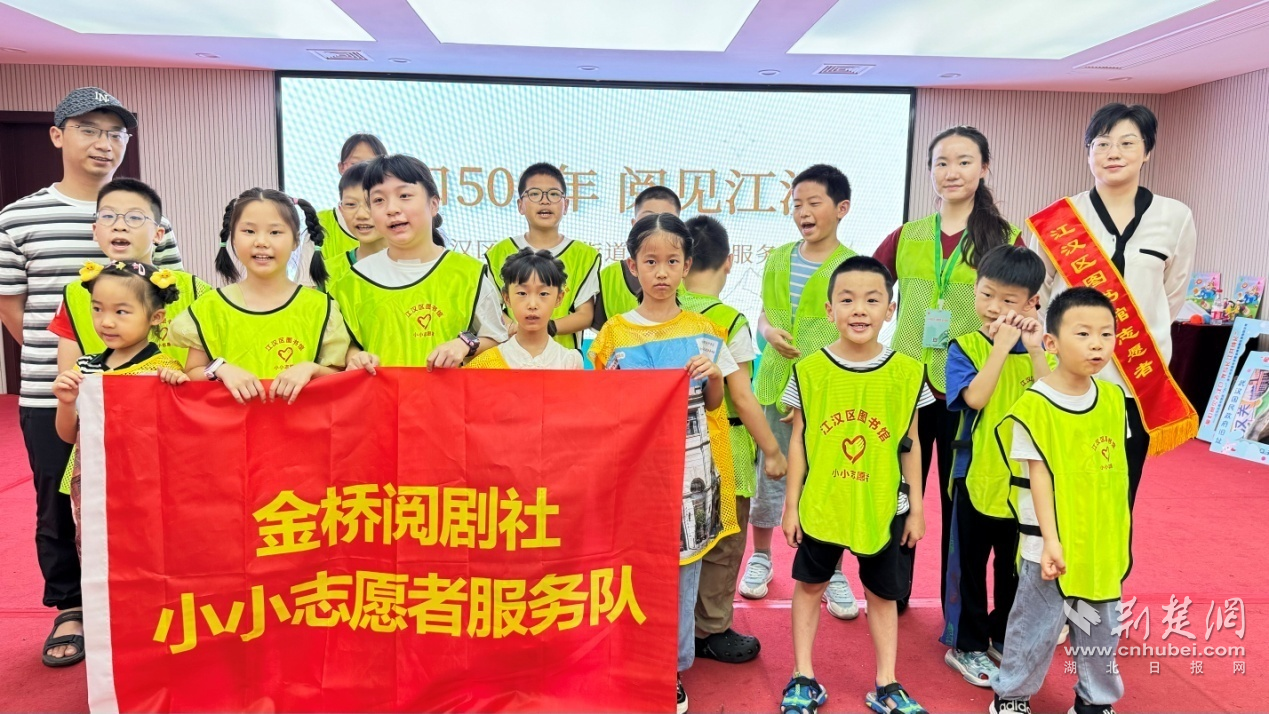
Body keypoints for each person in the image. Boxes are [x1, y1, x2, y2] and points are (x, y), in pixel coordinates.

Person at [0, 86, 182, 666]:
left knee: (147, 504)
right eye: (89, 130)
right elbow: (13, 307)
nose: (104, 143)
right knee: (58, 502)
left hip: (144, 395)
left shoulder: (153, 219)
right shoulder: (17, 218)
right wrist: (80, 367)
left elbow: (172, 307)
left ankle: (143, 602)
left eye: (115, 133)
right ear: (58, 135)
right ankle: (71, 608)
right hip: (54, 388)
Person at [590, 213, 741, 714]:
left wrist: (713, 375)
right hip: (634, 475)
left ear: (687, 265)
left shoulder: (705, 331)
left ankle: (670, 669)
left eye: (671, 261)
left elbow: (716, 404)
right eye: (650, 261)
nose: (661, 272)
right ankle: (627, 659)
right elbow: (599, 409)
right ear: (632, 267)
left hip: (690, 474)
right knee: (628, 568)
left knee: (682, 574)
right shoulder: (613, 334)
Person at [873, 126, 1021, 613]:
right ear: (930, 171)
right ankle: (891, 592)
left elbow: (1022, 305)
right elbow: (865, 286)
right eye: (941, 162)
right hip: (906, 383)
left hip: (967, 388)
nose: (951, 171)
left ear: (984, 168)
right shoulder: (908, 235)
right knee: (898, 493)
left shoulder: (1005, 239)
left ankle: (956, 611)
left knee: (961, 506)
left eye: (963, 161)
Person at [779, 256, 931, 714]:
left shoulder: (908, 371)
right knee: (810, 586)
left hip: (883, 505)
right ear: (830, 310)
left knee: (883, 595)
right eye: (847, 300)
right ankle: (802, 676)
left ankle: (887, 683)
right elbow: (799, 440)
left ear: (890, 309)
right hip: (823, 503)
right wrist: (791, 505)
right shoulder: (810, 370)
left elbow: (910, 444)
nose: (859, 309)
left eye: (872, 300)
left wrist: (917, 507)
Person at [1030, 103, 1198, 509]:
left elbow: (1171, 295)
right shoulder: (1060, 218)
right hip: (1068, 378)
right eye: (1102, 144)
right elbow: (1039, 295)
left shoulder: (1175, 216)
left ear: (1147, 151)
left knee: (1120, 493)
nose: (1113, 153)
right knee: (1061, 489)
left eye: (1127, 143)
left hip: (1136, 379)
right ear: (1088, 152)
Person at [990, 287, 1131, 714]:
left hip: (1100, 538)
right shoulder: (1035, 406)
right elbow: (1039, 480)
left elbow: (1112, 475)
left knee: (1102, 624)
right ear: (1050, 343)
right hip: (1048, 541)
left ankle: (1095, 700)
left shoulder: (1113, 399)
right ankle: (1012, 695)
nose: (1097, 344)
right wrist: (1051, 541)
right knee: (1035, 623)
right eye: (1083, 334)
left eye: (1106, 334)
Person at [743, 165, 858, 620]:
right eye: (796, 205)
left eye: (814, 203)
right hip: (773, 384)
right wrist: (768, 332)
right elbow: (764, 315)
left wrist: (808, 394)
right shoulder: (777, 258)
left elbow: (855, 329)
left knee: (828, 478)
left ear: (841, 208)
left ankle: (833, 570)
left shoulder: (851, 267)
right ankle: (761, 555)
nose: (803, 212)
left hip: (824, 390)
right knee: (769, 473)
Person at [680, 215, 788, 664]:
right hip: (725, 449)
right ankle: (711, 628)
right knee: (723, 542)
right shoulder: (728, 320)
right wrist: (773, 451)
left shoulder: (662, 313)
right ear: (728, 261)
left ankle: (678, 628)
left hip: (675, 451)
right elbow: (742, 397)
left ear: (682, 263)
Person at [941, 245, 1050, 685]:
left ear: (1032, 303)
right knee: (969, 566)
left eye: (1009, 300)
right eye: (986, 294)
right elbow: (975, 398)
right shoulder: (965, 346)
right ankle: (966, 645)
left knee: (1016, 566)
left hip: (1027, 485)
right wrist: (1000, 349)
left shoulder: (1044, 349)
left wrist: (1035, 350)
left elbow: (1052, 403)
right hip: (976, 477)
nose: (994, 307)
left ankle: (1003, 634)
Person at [52, 261, 184, 561]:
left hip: (147, 485)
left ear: (156, 317)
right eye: (97, 309)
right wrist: (66, 402)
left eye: (121, 312)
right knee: (100, 555)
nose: (106, 322)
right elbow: (69, 436)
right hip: (95, 481)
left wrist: (179, 389)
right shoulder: (85, 368)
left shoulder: (164, 370)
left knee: (149, 552)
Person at [165, 188, 347, 402]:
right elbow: (192, 373)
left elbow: (340, 375)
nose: (261, 242)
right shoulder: (210, 306)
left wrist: (311, 369)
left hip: (302, 422)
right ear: (233, 238)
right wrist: (220, 369)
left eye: (275, 232)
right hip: (230, 422)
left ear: (295, 241)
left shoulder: (321, 307)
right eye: (249, 231)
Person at [335, 155, 507, 373]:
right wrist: (355, 357)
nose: (392, 209)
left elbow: (498, 339)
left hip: (449, 395)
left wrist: (465, 344)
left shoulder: (469, 274)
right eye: (378, 200)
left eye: (404, 195)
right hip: (380, 395)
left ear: (433, 204)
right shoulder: (352, 281)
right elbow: (342, 346)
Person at [48, 179, 209, 372]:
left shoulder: (195, 290)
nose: (119, 226)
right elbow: (69, 380)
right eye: (108, 216)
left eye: (135, 217)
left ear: (158, 234)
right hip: (99, 391)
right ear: (95, 231)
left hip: (175, 391)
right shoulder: (75, 293)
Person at [484, 163, 600, 350]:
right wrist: (514, 328)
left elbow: (585, 315)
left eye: (554, 194)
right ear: (520, 205)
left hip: (564, 361)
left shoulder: (585, 255)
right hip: (512, 358)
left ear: (566, 205)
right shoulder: (499, 252)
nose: (545, 201)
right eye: (535, 194)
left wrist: (545, 328)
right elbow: (491, 309)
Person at [466, 248, 582, 369]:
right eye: (522, 293)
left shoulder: (571, 361)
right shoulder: (486, 362)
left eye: (543, 294)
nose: (532, 305)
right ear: (507, 298)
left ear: (559, 298)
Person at [593, 185, 681, 327]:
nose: (657, 226)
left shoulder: (690, 277)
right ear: (634, 224)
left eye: (667, 220)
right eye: (648, 218)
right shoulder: (608, 277)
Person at [316, 133, 388, 262]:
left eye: (372, 164)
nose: (364, 169)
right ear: (341, 167)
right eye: (355, 163)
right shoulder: (322, 222)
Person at [322, 162, 387, 287]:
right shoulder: (327, 273)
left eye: (373, 202)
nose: (361, 214)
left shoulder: (417, 266)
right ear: (341, 210)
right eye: (351, 204)